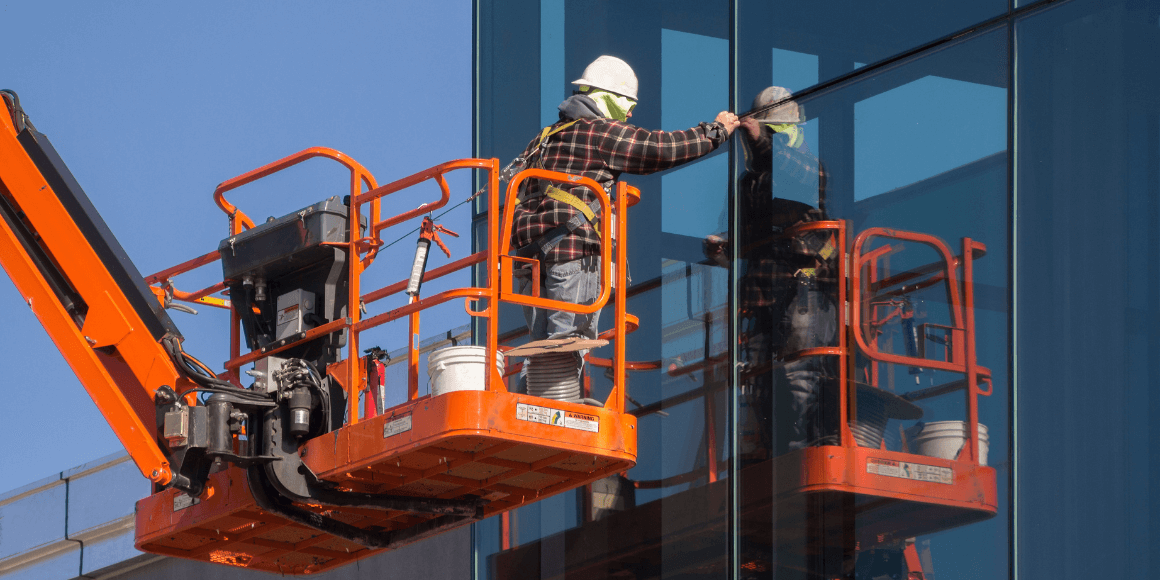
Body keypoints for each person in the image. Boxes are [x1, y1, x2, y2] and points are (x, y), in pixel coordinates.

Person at [511, 55, 740, 397]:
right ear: (608, 95)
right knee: (566, 345)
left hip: (530, 265)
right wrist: (715, 132)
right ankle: (557, 416)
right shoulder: (599, 133)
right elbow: (657, 149)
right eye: (628, 101)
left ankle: (528, 411)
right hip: (574, 256)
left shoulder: (541, 141)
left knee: (543, 347)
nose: (631, 111)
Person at [706, 86, 832, 460]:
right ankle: (772, 452)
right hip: (762, 292)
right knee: (758, 380)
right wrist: (726, 247)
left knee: (799, 376)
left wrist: (762, 138)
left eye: (772, 133)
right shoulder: (751, 183)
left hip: (804, 286)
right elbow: (750, 236)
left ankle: (797, 452)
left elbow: (794, 172)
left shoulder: (808, 166)